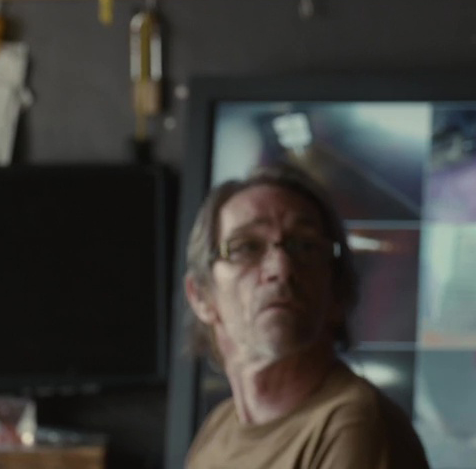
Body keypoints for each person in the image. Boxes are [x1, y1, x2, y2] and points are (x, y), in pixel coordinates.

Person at [183, 163, 430, 469]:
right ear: (200, 296)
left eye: (305, 246)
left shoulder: (353, 424)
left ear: (337, 292)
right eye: (246, 247)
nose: (281, 268)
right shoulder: (218, 428)